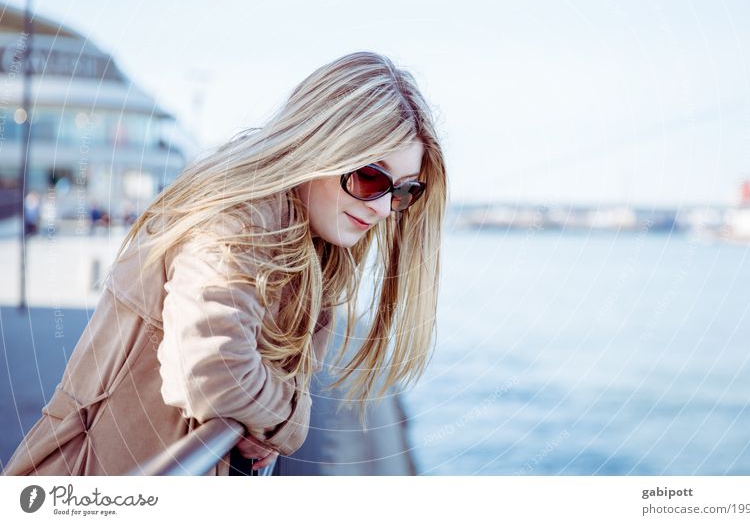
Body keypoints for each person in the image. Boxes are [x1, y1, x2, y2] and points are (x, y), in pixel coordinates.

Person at [2, 51, 447, 476]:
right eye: (371, 176)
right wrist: (291, 419)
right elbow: (210, 372)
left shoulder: (316, 256)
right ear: (319, 143)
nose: (386, 208)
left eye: (404, 192)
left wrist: (263, 417)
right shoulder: (238, 220)